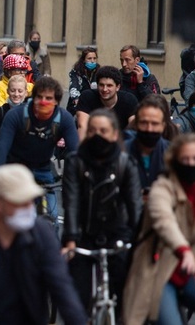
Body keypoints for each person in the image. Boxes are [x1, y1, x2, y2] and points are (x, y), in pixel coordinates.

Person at [0, 164, 87, 325]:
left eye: (30, 201)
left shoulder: (41, 234)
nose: (28, 208)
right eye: (20, 202)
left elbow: (62, 287)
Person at [123, 134, 195, 325]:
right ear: (175, 161)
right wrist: (184, 250)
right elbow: (164, 221)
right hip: (159, 271)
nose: (190, 164)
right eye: (185, 159)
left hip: (191, 270)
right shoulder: (162, 188)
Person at [62, 109, 142, 312]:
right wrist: (71, 239)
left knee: (127, 296)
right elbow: (71, 201)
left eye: (104, 131)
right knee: (77, 301)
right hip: (82, 234)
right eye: (93, 130)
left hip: (117, 233)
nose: (98, 135)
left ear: (115, 134)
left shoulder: (125, 163)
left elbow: (135, 206)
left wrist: (139, 240)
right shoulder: (75, 162)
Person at [0, 76, 79, 221]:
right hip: (16, 169)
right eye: (39, 97)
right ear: (33, 97)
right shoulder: (16, 115)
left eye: (49, 98)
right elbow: (2, 150)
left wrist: (76, 179)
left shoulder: (64, 119)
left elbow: (76, 153)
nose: (43, 101)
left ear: (57, 102)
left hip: (43, 169)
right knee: (5, 213)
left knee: (51, 216)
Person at [73, 65, 138, 142]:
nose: (104, 89)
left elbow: (134, 128)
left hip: (120, 144)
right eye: (101, 85)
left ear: (117, 87)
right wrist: (81, 151)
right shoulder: (87, 97)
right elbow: (83, 126)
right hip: (92, 143)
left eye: (109, 85)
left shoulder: (129, 100)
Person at [126, 94, 172, 192]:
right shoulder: (121, 152)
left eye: (154, 124)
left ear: (163, 125)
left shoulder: (173, 154)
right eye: (144, 123)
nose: (149, 129)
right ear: (136, 124)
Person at [67, 47, 99, 114]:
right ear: (84, 60)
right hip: (78, 106)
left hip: (94, 107)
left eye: (94, 58)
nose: (92, 61)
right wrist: (76, 99)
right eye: (89, 58)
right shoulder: (77, 72)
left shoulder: (99, 72)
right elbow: (74, 86)